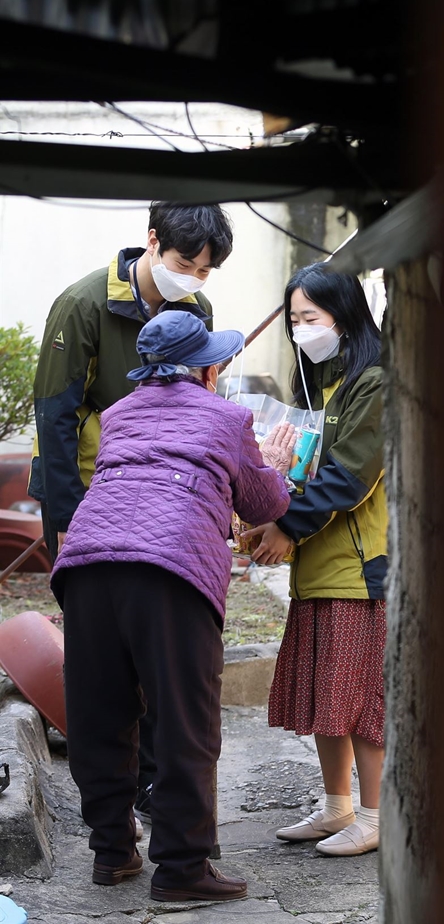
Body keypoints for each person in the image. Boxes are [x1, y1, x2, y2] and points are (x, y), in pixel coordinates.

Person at [50, 310, 296, 902]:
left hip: (88, 563)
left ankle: (112, 853)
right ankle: (183, 869)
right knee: (184, 717)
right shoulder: (228, 417)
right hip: (171, 568)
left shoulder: (117, 414)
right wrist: (278, 466)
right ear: (207, 370)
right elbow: (262, 504)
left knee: (101, 711)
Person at [29, 200, 234, 822]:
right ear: (151, 243)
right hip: (91, 499)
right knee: (105, 654)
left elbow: (205, 405)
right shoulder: (85, 303)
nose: (194, 281)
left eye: (205, 271)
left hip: (168, 506)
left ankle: (153, 790)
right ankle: (115, 808)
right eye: (183, 264)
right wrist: (64, 519)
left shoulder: (193, 309)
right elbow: (55, 416)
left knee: (161, 651)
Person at [243, 262, 387, 857]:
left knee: (359, 699)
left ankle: (378, 816)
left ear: (345, 315)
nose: (302, 330)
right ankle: (337, 808)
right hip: (318, 564)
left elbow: (351, 478)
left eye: (312, 317)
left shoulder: (374, 383)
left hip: (356, 566)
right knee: (329, 694)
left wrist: (286, 526)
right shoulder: (324, 384)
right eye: (295, 319)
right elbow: (306, 468)